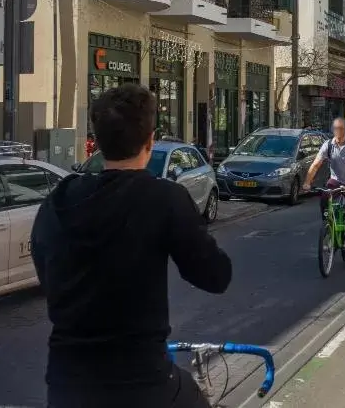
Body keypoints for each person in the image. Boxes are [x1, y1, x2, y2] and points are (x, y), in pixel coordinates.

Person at [31, 84, 232, 408]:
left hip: (67, 385)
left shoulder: (58, 200)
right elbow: (216, 276)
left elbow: (44, 267)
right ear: (150, 141)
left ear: (96, 142)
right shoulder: (164, 198)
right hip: (141, 382)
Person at [303, 117, 345, 262]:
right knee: (324, 197)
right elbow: (315, 165)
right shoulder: (328, 145)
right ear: (332, 130)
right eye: (336, 129)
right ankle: (328, 225)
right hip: (335, 180)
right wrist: (307, 182)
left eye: (341, 129)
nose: (338, 132)